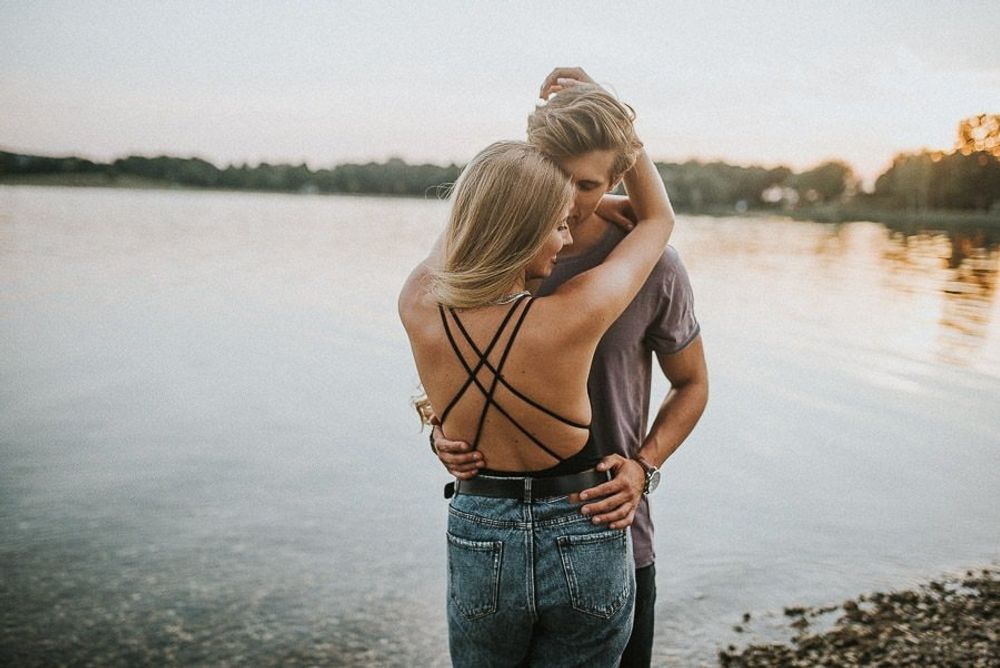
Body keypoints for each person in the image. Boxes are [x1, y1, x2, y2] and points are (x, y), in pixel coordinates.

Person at [431, 68, 709, 666]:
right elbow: (454, 364)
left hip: (613, 530)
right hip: (501, 525)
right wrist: (440, 426)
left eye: (587, 185)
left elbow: (692, 385)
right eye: (555, 175)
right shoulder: (485, 264)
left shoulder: (654, 268)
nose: (569, 200)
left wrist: (644, 467)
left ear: (616, 178)